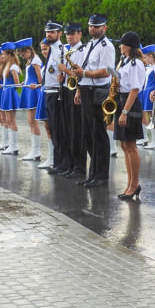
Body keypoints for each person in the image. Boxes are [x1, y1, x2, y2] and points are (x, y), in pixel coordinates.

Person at [68, 14, 115, 188]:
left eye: (97, 26)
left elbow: (107, 71)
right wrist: (79, 88)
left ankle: (101, 175)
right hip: (86, 89)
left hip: (98, 91)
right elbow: (83, 68)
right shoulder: (89, 45)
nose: (93, 29)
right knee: (87, 134)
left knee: (98, 135)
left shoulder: (106, 46)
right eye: (91, 26)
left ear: (105, 28)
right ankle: (93, 173)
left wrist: (85, 74)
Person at [115, 32, 146, 202]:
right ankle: (129, 183)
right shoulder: (124, 61)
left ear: (129, 46)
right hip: (121, 100)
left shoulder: (135, 64)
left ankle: (134, 184)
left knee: (131, 145)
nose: (120, 46)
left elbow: (134, 89)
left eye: (122, 44)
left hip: (130, 103)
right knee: (124, 145)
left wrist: (125, 112)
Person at [57, 23, 87, 178]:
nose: (70, 36)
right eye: (68, 34)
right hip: (67, 89)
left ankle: (79, 166)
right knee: (68, 129)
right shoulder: (67, 50)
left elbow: (79, 74)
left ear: (80, 34)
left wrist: (66, 70)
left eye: (73, 34)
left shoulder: (82, 51)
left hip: (76, 91)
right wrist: (62, 76)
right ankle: (70, 164)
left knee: (77, 130)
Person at [39, 22, 66, 170]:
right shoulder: (52, 50)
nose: (49, 35)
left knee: (58, 130)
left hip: (56, 93)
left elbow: (65, 69)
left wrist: (63, 75)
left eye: (52, 32)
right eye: (47, 32)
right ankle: (58, 162)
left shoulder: (60, 49)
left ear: (59, 33)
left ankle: (61, 163)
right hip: (49, 91)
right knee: (54, 130)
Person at [16, 38, 43, 161]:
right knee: (30, 122)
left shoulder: (35, 61)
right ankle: (34, 150)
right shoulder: (31, 61)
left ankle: (36, 151)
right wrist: (25, 82)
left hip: (33, 92)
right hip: (28, 90)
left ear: (28, 51)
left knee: (33, 122)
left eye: (23, 54)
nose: (22, 56)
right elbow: (31, 76)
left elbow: (41, 79)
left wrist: (36, 85)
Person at [0, 42, 22, 155]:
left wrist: (10, 87)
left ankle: (14, 146)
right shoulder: (8, 65)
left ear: (9, 55)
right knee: (8, 120)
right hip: (6, 91)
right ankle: (10, 144)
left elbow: (17, 84)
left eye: (4, 54)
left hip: (10, 93)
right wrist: (2, 85)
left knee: (11, 120)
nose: (2, 56)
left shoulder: (13, 67)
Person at [140, 44, 155, 149]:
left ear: (150, 56)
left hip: (151, 92)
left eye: (145, 57)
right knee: (150, 117)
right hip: (146, 92)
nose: (144, 59)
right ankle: (154, 141)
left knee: (154, 117)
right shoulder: (150, 67)